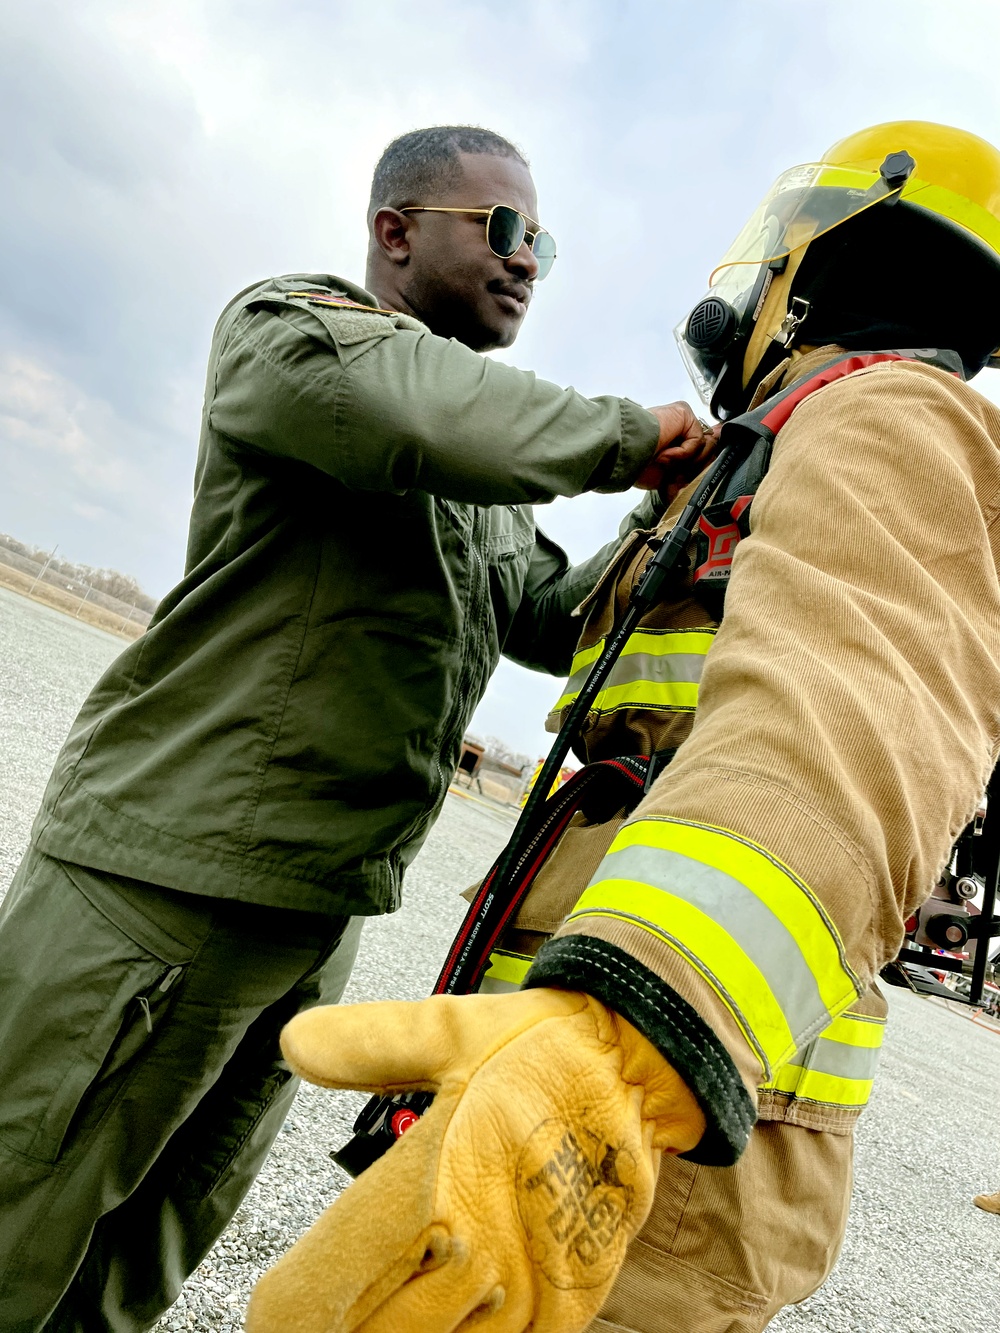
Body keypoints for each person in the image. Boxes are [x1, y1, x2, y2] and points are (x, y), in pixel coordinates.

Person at [245, 121, 1000, 1333]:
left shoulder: (888, 415)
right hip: (578, 1091)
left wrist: (628, 1032)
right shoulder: (774, 449)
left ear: (818, 265)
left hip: (647, 1123)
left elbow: (854, 729)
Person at [0, 124, 714, 1332]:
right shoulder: (292, 335)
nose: (528, 259)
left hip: (314, 911)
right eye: (501, 229)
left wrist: (695, 512)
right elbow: (432, 411)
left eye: (542, 239)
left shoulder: (472, 463)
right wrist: (634, 439)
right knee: (25, 1201)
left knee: (152, 1240)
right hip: (164, 877)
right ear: (395, 232)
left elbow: (549, 612)